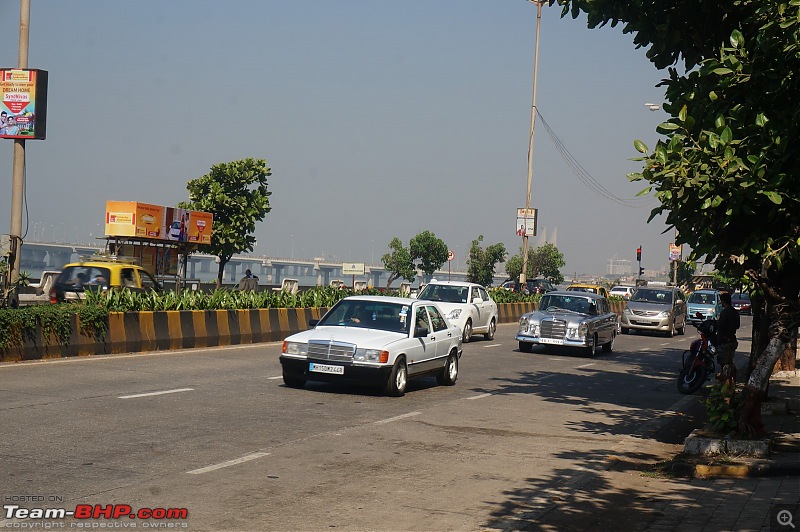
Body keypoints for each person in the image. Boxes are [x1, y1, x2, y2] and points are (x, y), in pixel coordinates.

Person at [715, 291, 740, 376]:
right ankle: (730, 381)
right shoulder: (735, 312)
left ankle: (725, 382)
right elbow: (737, 326)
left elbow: (720, 326)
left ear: (723, 301)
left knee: (724, 365)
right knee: (730, 362)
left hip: (724, 341)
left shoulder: (724, 312)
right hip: (732, 340)